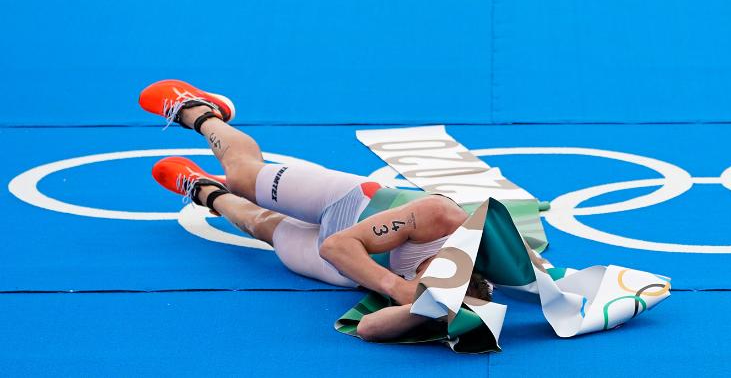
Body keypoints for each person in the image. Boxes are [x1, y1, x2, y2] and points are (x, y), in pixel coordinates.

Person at [138, 78, 492, 342]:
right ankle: (201, 112)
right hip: (350, 204)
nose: (422, 288)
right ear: (449, 267)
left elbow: (368, 329)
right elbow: (336, 244)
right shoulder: (442, 220)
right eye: (431, 284)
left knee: (258, 225)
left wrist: (420, 310)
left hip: (347, 269)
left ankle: (204, 191)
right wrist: (394, 287)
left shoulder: (433, 300)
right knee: (245, 178)